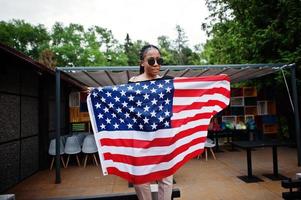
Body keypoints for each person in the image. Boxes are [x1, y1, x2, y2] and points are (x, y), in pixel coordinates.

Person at [128, 44, 173, 200]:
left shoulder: (167, 83)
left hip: (163, 137)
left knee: (166, 178)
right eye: (151, 60)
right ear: (142, 62)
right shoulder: (132, 83)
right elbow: (118, 99)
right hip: (141, 139)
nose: (156, 64)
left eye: (159, 60)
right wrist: (97, 93)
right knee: (141, 179)